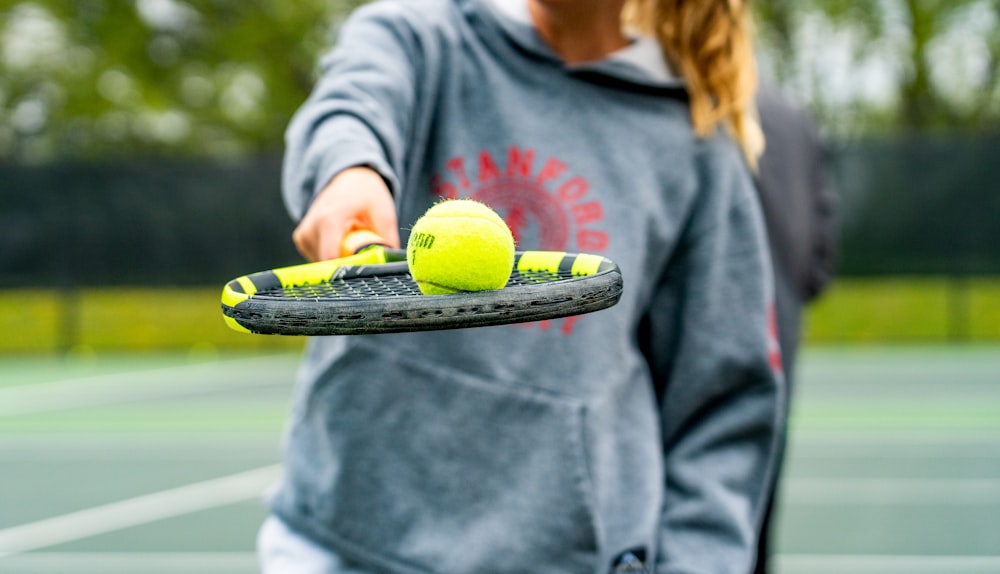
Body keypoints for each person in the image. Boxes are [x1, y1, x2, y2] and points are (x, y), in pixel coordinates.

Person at [262, 0, 784, 572]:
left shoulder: (695, 144)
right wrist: (348, 171)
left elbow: (722, 404)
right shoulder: (418, 33)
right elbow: (348, 105)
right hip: (343, 542)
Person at [752, 82, 838, 574]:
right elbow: (824, 246)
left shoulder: (680, 100)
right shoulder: (794, 115)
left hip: (683, 358)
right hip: (777, 340)